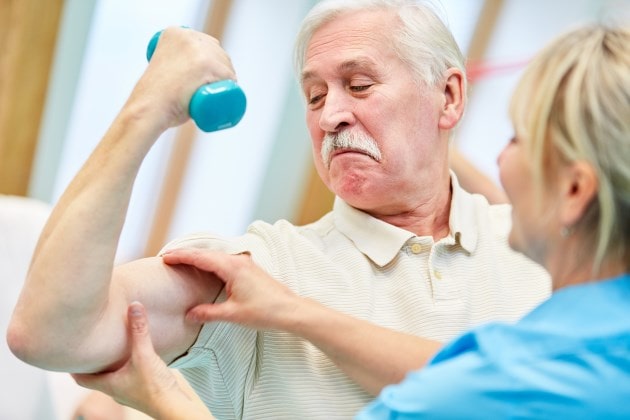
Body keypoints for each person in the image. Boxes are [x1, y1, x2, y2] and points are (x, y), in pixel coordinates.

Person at [7, 0, 550, 418]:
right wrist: (147, 108)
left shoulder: (551, 254)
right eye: (314, 97)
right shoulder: (257, 270)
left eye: (359, 85)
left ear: (449, 98)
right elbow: (49, 334)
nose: (331, 115)